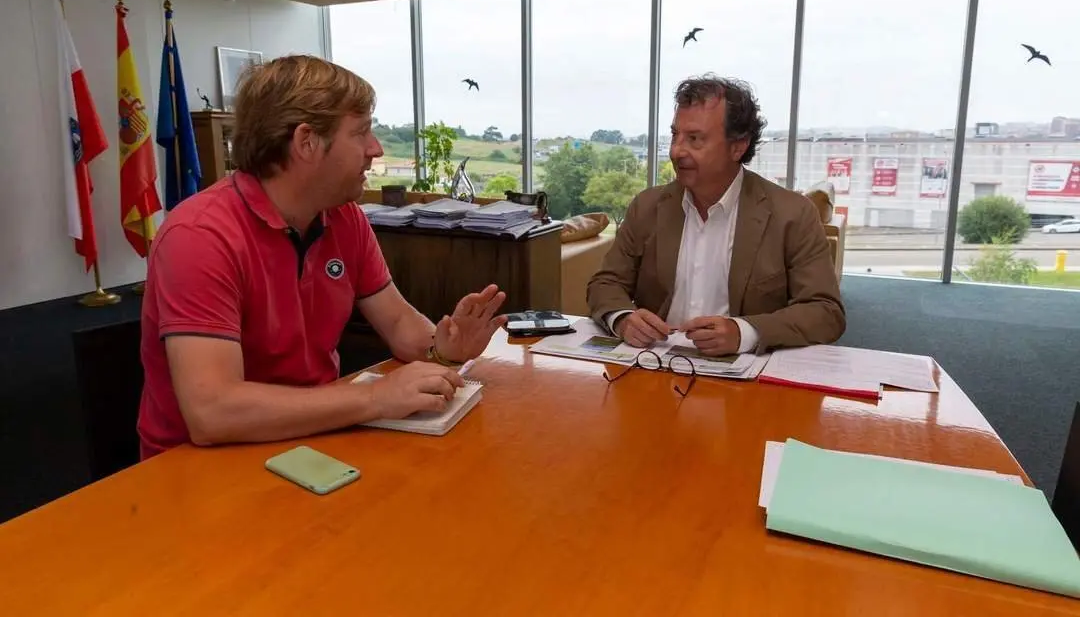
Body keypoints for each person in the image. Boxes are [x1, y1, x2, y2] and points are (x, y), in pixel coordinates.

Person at [137, 55, 506, 458]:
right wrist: (376, 399)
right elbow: (213, 412)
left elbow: (400, 323)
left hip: (312, 435)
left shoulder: (343, 216)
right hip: (198, 466)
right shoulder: (200, 235)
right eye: (362, 132)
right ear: (306, 142)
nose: (376, 149)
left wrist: (443, 347)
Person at [587, 75, 845, 355]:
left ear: (738, 146)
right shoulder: (647, 206)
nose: (676, 151)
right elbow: (606, 283)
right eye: (675, 135)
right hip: (654, 368)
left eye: (695, 139)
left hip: (747, 380)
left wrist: (744, 332)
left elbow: (825, 312)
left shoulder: (791, 214)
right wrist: (623, 319)